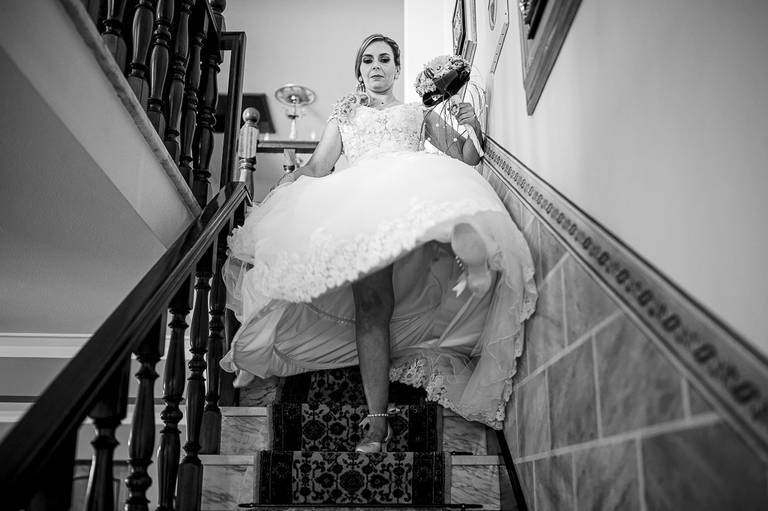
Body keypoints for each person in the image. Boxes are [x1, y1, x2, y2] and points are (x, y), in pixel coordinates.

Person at [220, 34, 537, 453]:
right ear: (359, 71)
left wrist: (471, 124)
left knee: (449, 235)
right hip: (362, 210)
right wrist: (283, 191)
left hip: (410, 201)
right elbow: (318, 166)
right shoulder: (344, 115)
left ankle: (462, 286)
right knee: (372, 306)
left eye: (384, 59)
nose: (376, 66)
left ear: (397, 68)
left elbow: (465, 157)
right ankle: (376, 424)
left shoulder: (417, 113)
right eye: (368, 60)